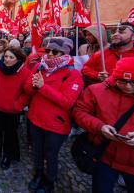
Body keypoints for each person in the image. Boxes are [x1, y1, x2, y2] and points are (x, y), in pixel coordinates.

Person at [73, 57, 134, 193]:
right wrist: (99, 127)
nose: (128, 86)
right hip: (104, 157)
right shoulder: (96, 90)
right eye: (122, 81)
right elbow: (80, 112)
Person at [24, 37, 84, 192]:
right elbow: (27, 89)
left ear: (64, 53)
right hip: (35, 119)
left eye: (55, 51)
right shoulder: (40, 66)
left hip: (56, 125)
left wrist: (43, 87)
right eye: (48, 50)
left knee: (50, 154)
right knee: (37, 151)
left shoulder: (73, 74)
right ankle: (38, 173)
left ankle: (49, 180)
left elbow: (67, 102)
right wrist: (33, 86)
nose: (49, 54)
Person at [0, 46, 30, 170]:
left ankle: (7, 155)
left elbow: (27, 93)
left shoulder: (24, 72)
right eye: (6, 56)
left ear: (18, 59)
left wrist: (18, 105)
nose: (7, 59)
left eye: (11, 57)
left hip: (12, 111)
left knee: (10, 135)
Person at [82, 22, 134, 86]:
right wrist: (97, 75)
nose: (115, 34)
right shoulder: (100, 54)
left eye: (121, 32)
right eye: (115, 32)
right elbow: (85, 69)